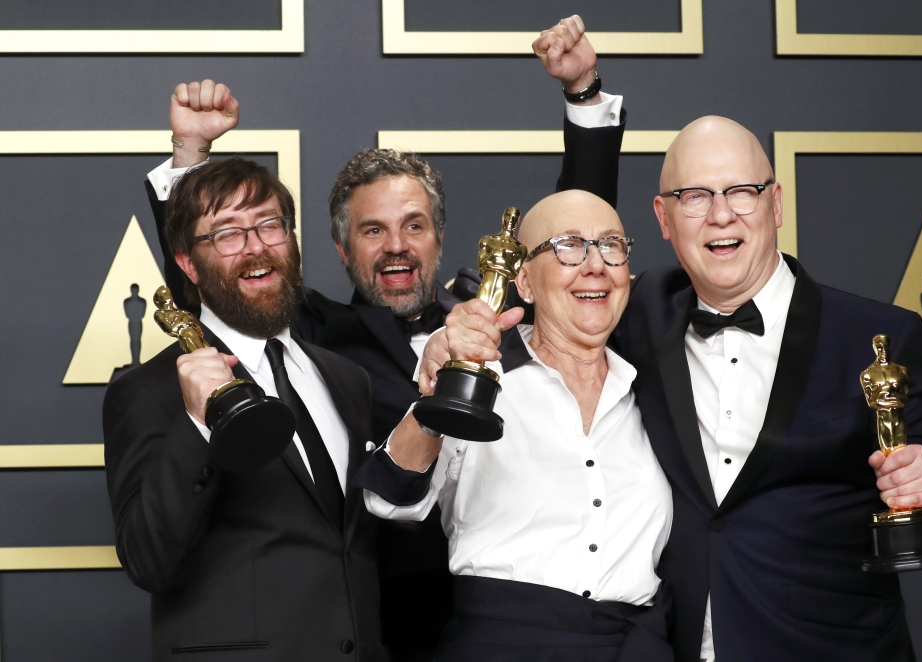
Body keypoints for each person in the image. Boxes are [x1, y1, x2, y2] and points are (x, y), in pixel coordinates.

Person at [143, 16, 629, 659]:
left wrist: (583, 94)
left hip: (508, 624)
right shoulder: (313, 340)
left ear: (440, 236)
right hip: (377, 628)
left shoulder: (497, 314)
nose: (397, 246)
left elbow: (578, 235)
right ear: (342, 250)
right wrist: (190, 159)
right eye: (374, 231)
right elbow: (215, 286)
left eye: (414, 226)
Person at [422, 115, 922, 661]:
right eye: (695, 196)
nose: (721, 214)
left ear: (776, 204)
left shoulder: (877, 337)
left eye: (741, 192)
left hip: (830, 646)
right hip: (674, 646)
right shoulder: (637, 313)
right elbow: (559, 275)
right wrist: (452, 344)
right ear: (663, 218)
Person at [355, 190, 674, 661]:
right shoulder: (482, 377)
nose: (595, 265)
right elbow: (389, 500)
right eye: (568, 246)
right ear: (523, 280)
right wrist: (439, 393)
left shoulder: (651, 391)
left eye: (611, 245)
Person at [104, 157, 386, 660]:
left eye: (269, 224)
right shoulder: (149, 389)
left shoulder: (347, 380)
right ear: (189, 264)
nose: (256, 246)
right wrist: (197, 425)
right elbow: (148, 562)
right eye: (227, 233)